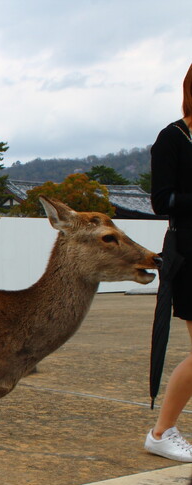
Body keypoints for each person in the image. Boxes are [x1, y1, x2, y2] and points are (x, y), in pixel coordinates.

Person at [145, 63, 192, 462]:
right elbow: (162, 200)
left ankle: (163, 431)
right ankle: (161, 432)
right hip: (189, 252)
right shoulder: (173, 138)